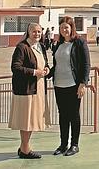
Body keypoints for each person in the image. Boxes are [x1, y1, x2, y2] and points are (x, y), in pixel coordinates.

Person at [49, 16, 91, 157]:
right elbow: (57, 65)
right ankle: (63, 144)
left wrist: (82, 83)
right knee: (63, 115)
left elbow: (86, 65)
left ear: (72, 28)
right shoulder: (58, 44)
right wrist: (46, 73)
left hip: (73, 84)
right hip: (59, 84)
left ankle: (74, 144)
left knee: (73, 115)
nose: (64, 30)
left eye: (66, 27)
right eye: (61, 28)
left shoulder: (79, 43)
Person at [9, 22, 50, 160]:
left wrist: (46, 69)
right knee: (26, 120)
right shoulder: (22, 47)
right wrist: (34, 72)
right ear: (28, 32)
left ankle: (24, 148)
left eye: (39, 32)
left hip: (38, 89)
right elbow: (16, 67)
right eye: (34, 31)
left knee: (32, 120)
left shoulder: (41, 47)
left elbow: (45, 63)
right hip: (27, 89)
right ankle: (25, 149)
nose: (37, 34)